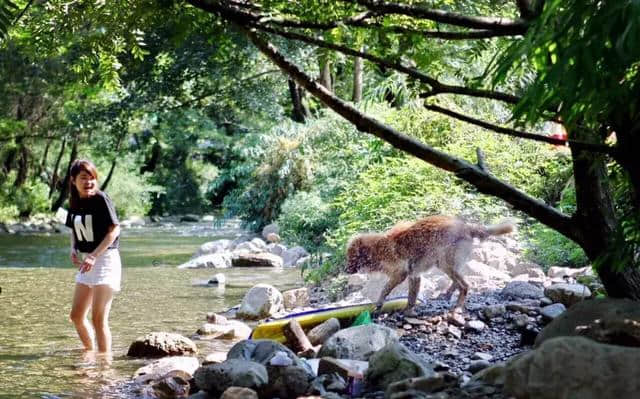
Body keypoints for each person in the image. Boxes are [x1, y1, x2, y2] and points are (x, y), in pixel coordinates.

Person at [65, 159, 121, 353]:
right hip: (87, 260)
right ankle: (90, 353)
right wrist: (73, 248)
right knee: (76, 316)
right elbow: (73, 228)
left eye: (92, 178)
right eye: (83, 178)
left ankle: (105, 364)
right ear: (73, 181)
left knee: (98, 319)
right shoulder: (74, 201)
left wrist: (94, 256)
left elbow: (114, 230)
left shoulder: (101, 199)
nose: (89, 182)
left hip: (105, 260)